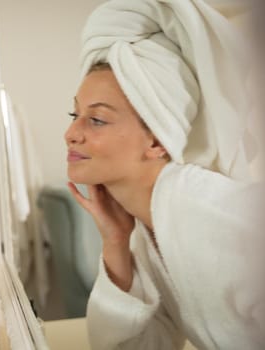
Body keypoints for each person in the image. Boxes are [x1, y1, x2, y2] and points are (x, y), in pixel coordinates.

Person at [64, 0, 265, 349]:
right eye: (74, 113)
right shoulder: (148, 229)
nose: (71, 133)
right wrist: (115, 244)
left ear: (157, 139)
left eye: (96, 119)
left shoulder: (231, 218)